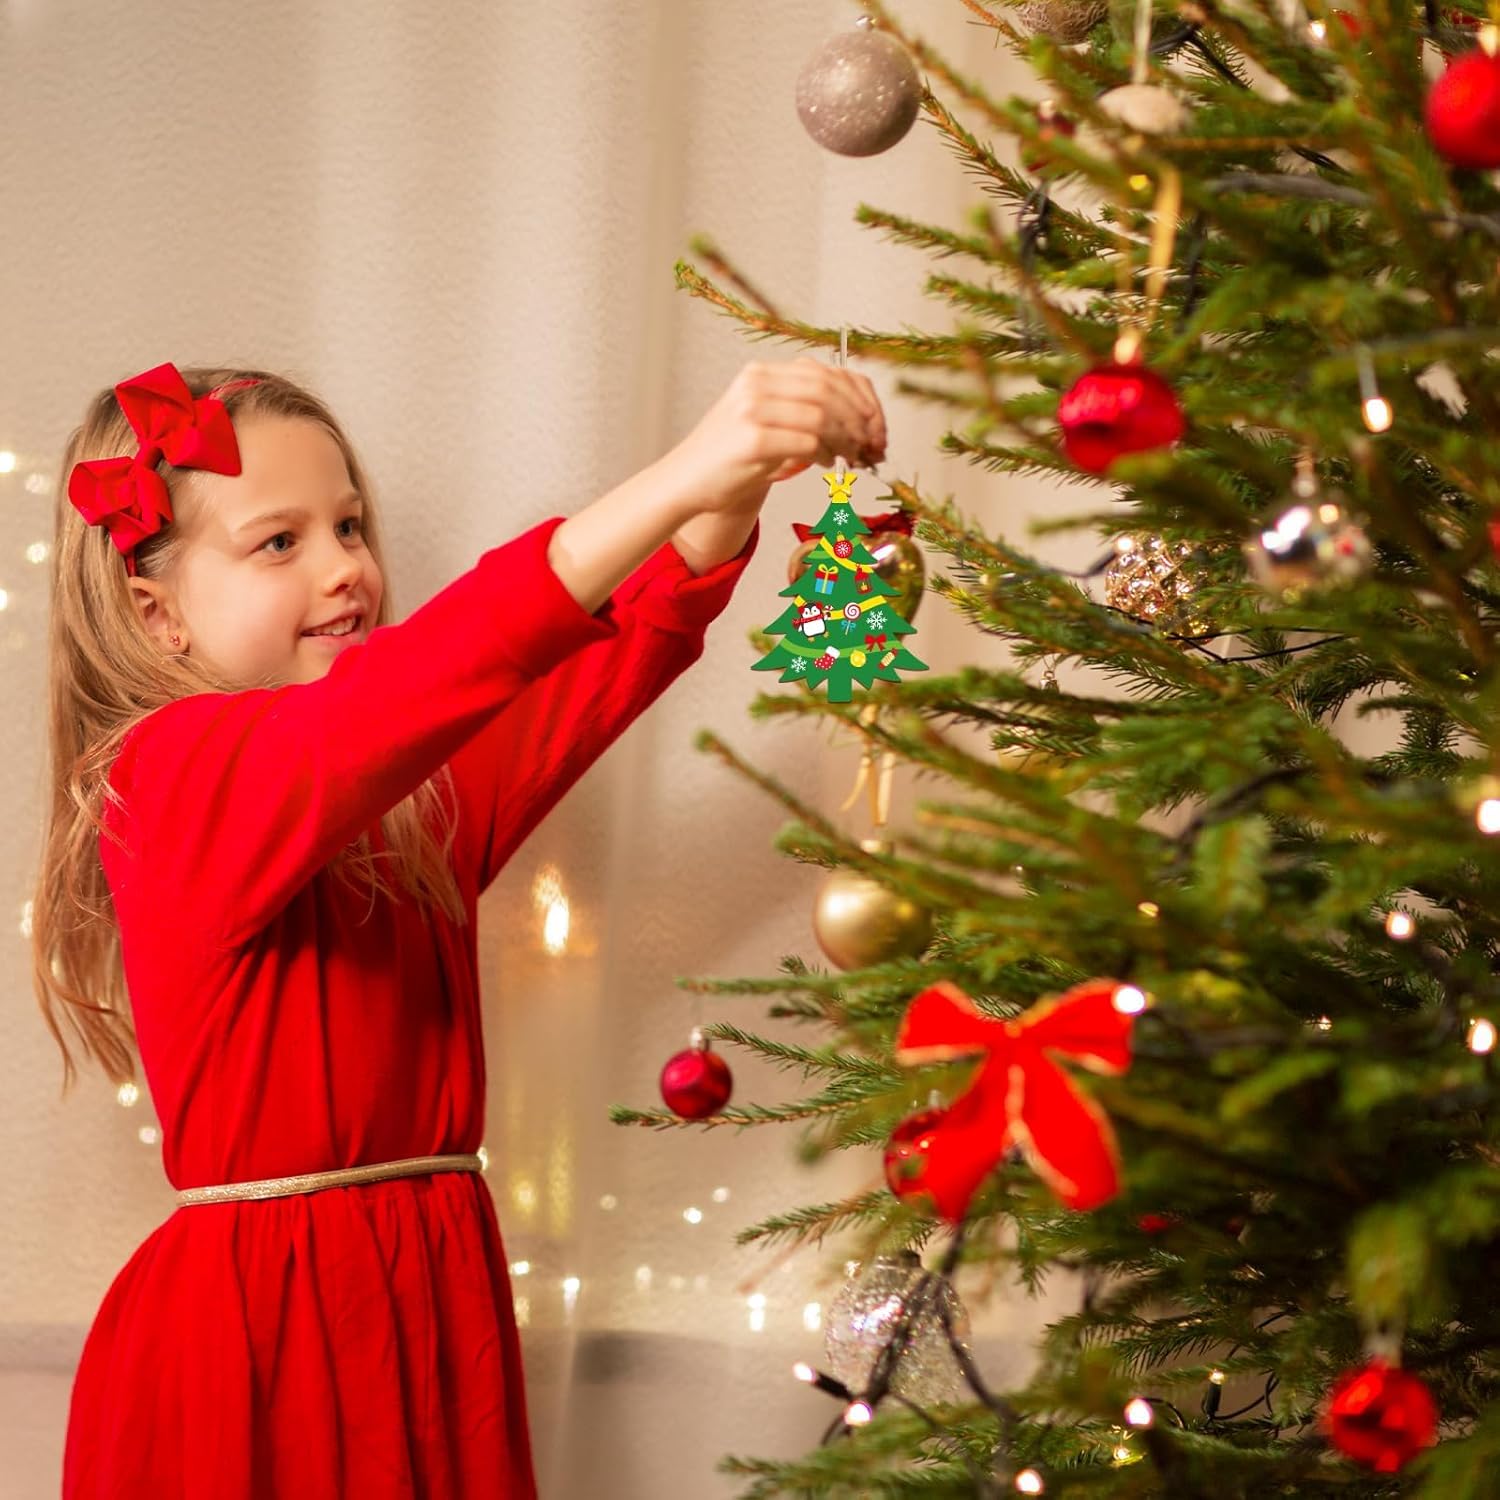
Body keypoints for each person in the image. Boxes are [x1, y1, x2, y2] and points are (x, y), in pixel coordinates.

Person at [30, 356, 887, 1498]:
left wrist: (721, 504)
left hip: (426, 1295)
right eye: (279, 542)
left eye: (350, 526)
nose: (347, 570)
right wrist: (684, 470)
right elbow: (436, 670)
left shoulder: (406, 805)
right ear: (158, 614)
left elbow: (592, 667)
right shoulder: (168, 783)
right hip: (258, 1342)